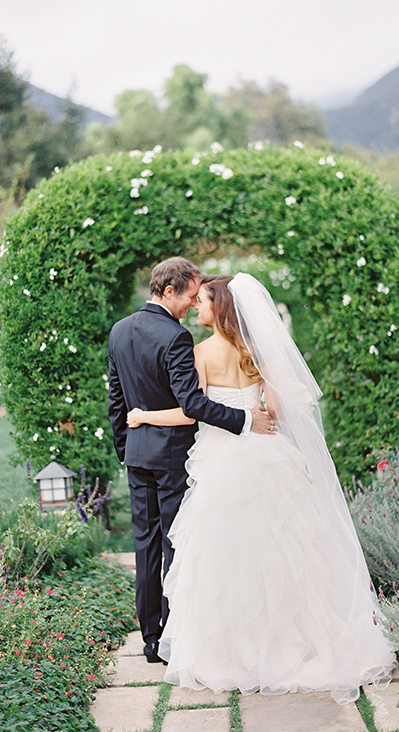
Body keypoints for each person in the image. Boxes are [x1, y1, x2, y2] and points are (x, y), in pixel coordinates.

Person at [126, 273, 395, 700]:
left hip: (222, 461)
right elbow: (281, 409)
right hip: (268, 453)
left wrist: (143, 416)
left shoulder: (201, 352)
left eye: (204, 301)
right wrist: (260, 415)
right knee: (286, 547)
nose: (197, 305)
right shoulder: (255, 352)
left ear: (221, 308)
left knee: (226, 553)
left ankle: (236, 652)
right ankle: (297, 641)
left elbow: (191, 412)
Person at [108, 257, 276, 665]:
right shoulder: (176, 337)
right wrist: (244, 420)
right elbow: (193, 404)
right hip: (172, 456)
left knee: (145, 545)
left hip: (138, 454)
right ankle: (173, 635)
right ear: (169, 292)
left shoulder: (119, 331)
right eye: (188, 295)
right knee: (174, 542)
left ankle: (151, 638)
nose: (190, 304)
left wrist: (125, 449)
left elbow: (116, 400)